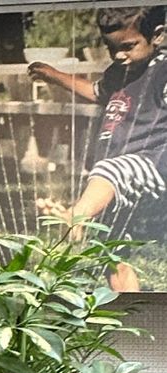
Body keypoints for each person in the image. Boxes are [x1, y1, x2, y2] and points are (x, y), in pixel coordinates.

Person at [28, 6, 167, 291]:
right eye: (111, 47)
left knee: (109, 170)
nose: (118, 55)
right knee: (111, 248)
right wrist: (53, 75)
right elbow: (96, 92)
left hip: (154, 160)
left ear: (158, 35)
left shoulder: (163, 70)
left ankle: (74, 216)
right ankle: (130, 311)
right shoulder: (120, 72)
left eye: (128, 46)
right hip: (118, 175)